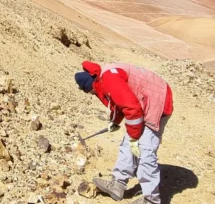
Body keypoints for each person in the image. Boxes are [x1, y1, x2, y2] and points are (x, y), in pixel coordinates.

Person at [74, 61, 173, 204]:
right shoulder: (101, 78)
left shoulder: (108, 80)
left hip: (158, 101)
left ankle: (151, 200)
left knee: (145, 150)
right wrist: (115, 121)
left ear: (90, 87)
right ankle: (118, 185)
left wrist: (134, 137)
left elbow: (132, 109)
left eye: (90, 92)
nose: (92, 94)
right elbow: (119, 102)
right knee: (127, 145)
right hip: (143, 100)